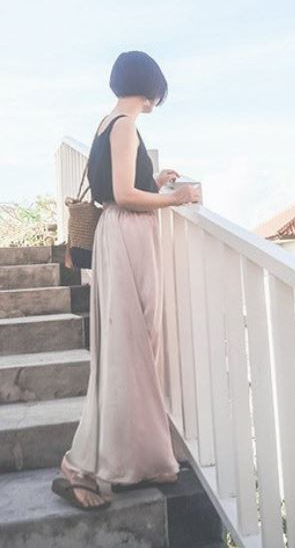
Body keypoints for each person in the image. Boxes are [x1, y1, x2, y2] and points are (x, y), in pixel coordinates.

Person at [51, 50, 201, 510]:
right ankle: (83, 465)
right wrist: (176, 198)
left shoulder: (107, 123)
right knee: (134, 348)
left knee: (129, 350)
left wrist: (153, 181)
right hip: (127, 234)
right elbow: (120, 194)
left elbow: (120, 185)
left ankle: (135, 458)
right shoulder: (125, 126)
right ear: (150, 88)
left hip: (119, 234)